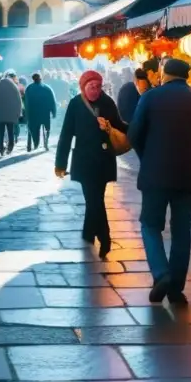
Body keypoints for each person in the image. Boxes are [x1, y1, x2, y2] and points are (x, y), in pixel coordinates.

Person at [127, 58, 191, 304]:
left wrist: (146, 157)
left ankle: (161, 274)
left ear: (164, 74)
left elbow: (133, 134)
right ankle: (176, 286)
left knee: (150, 225)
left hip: (155, 174)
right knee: (182, 231)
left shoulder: (149, 97)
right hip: (188, 175)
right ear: (187, 76)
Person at [55, 70, 127, 259]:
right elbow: (66, 134)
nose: (95, 90)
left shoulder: (108, 102)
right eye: (91, 87)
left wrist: (137, 129)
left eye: (98, 87)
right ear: (83, 87)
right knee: (94, 199)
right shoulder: (75, 104)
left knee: (95, 198)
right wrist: (60, 163)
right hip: (85, 160)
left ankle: (89, 233)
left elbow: (120, 125)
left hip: (103, 160)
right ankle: (105, 236)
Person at [0, 71, 22, 155]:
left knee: (0, 133)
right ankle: (10, 147)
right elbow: (19, 101)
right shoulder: (13, 86)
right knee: (10, 131)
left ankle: (1, 149)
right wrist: (19, 112)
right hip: (11, 114)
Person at [24, 72, 57, 151]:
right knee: (47, 128)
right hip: (45, 113)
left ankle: (36, 143)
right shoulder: (47, 88)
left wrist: (26, 113)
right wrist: (53, 112)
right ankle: (46, 142)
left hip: (33, 113)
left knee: (34, 129)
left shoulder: (29, 88)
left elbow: (26, 102)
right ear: (40, 79)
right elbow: (52, 101)